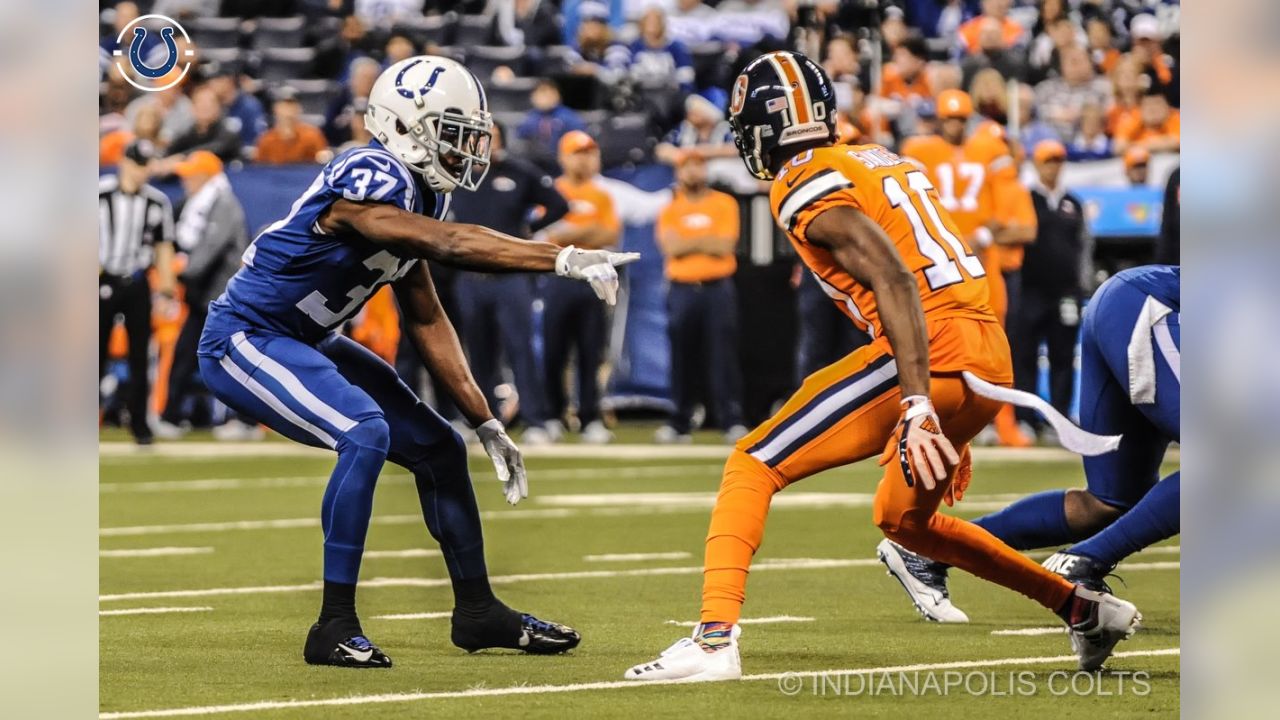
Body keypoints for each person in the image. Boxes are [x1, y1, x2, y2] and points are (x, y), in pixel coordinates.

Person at [624, 51, 1140, 683]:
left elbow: (894, 274)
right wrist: (952, 409)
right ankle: (1080, 607)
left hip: (933, 347)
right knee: (904, 521)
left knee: (752, 463)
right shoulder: (879, 157)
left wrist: (921, 401)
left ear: (766, 125)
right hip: (984, 352)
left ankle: (712, 640)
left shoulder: (802, 176)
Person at [196, 56, 637, 667]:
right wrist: (558, 258)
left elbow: (427, 317)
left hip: (309, 338)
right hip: (245, 337)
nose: (469, 147)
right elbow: (451, 245)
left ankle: (478, 613)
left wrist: (483, 420)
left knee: (439, 447)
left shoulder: (422, 197)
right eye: (453, 131)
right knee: (364, 430)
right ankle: (334, 625)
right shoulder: (369, 172)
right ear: (404, 126)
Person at [880, 266, 1178, 616]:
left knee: (1111, 501)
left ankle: (929, 547)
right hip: (1152, 305)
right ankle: (1082, 563)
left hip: (1132, 304)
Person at [901, 89, 1037, 447]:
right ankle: (931, 416)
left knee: (991, 339)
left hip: (979, 257)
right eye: (949, 118)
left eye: (960, 119)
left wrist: (985, 230)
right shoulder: (921, 150)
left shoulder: (988, 149)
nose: (955, 125)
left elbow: (1004, 200)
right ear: (939, 118)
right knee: (933, 339)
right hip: (936, 257)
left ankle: (996, 420)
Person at [450, 124, 570, 443]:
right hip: (470, 276)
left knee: (521, 348)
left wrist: (528, 231)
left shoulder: (518, 172)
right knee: (476, 353)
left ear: (499, 139)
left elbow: (559, 204)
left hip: (510, 276)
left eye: (487, 136)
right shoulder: (457, 174)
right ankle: (482, 421)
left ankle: (536, 420)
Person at [154, 151, 255, 440]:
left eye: (192, 175)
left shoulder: (224, 205)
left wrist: (176, 274)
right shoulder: (199, 203)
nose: (186, 181)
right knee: (191, 355)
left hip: (224, 298)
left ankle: (245, 421)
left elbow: (207, 253)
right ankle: (171, 415)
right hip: (206, 298)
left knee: (232, 360)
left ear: (207, 177)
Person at [654, 151, 746, 444]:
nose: (693, 171)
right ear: (678, 172)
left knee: (724, 355)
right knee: (682, 356)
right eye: (687, 166)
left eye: (698, 165)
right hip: (682, 289)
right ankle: (679, 422)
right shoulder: (669, 207)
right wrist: (704, 241)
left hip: (717, 287)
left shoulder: (724, 203)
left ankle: (730, 420)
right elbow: (672, 248)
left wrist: (689, 242)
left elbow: (723, 244)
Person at [539, 131, 622, 444]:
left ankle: (589, 418)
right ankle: (552, 415)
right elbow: (545, 236)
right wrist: (587, 232)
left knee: (591, 351)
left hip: (592, 282)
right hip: (559, 281)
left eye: (588, 152)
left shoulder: (603, 195)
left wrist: (570, 234)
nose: (584, 158)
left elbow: (610, 235)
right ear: (563, 157)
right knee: (554, 351)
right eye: (577, 152)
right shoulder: (552, 191)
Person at [99, 140, 178, 444]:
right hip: (101, 278)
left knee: (140, 356)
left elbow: (163, 246)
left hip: (136, 280)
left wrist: (167, 288)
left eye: (145, 165)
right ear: (124, 162)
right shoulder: (99, 193)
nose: (141, 171)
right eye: (136, 164)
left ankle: (140, 423)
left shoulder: (156, 202)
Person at [1011, 140, 1090, 441]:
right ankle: (1026, 419)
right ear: (1037, 164)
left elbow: (1084, 247)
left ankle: (1059, 420)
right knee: (1026, 355)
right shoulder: (1026, 199)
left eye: (1058, 160)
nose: (1053, 166)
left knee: (1062, 356)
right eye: (1048, 161)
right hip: (1031, 288)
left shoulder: (1073, 203)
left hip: (1065, 291)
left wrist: (1082, 285)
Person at [166, 84, 244, 163]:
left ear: (219, 107)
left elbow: (216, 148)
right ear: (192, 107)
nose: (205, 106)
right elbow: (169, 154)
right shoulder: (188, 133)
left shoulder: (228, 131)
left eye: (210, 102)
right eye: (200, 102)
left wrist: (181, 158)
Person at [255, 88, 330, 165]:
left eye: (292, 106)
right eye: (284, 107)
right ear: (275, 109)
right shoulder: (266, 140)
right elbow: (259, 170)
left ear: (299, 109)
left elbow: (323, 166)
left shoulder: (313, 136)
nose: (288, 112)